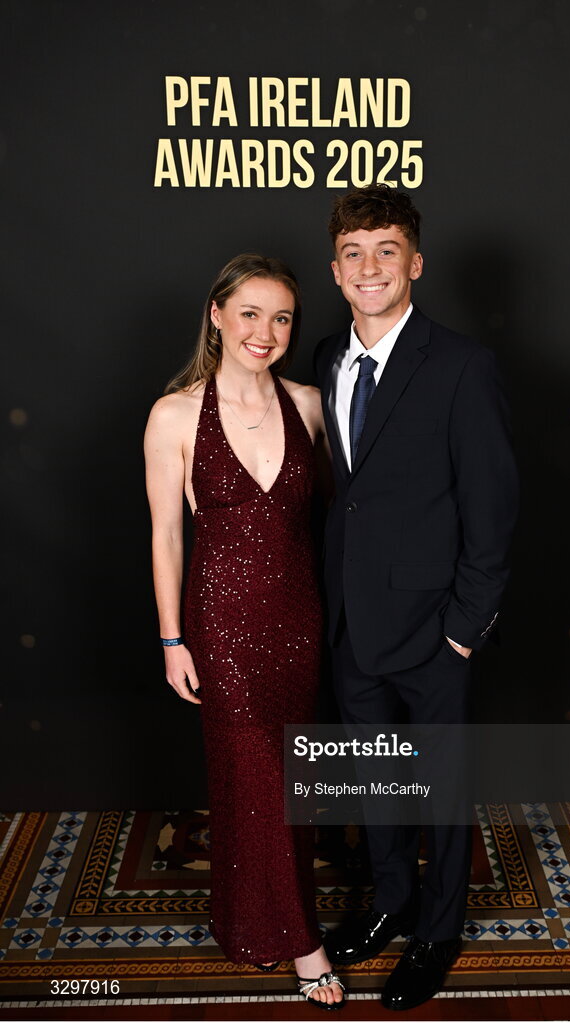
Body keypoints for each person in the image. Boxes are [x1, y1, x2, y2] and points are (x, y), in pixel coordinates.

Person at [314, 185, 519, 1011]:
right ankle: (392, 904)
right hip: (350, 624)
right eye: (355, 254)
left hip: (435, 627)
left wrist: (464, 629)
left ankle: (437, 930)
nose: (370, 267)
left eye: (386, 251)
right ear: (335, 270)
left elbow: (492, 506)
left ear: (415, 263)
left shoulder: (463, 365)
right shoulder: (326, 355)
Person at [144, 253, 344, 1009]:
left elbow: (342, 516)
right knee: (256, 769)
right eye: (251, 313)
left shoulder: (310, 403)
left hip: (298, 617)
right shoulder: (173, 414)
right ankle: (303, 942)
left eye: (282, 317)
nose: (265, 331)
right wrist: (172, 640)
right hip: (220, 622)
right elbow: (166, 534)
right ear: (217, 314)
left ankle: (244, 920)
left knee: (276, 781)